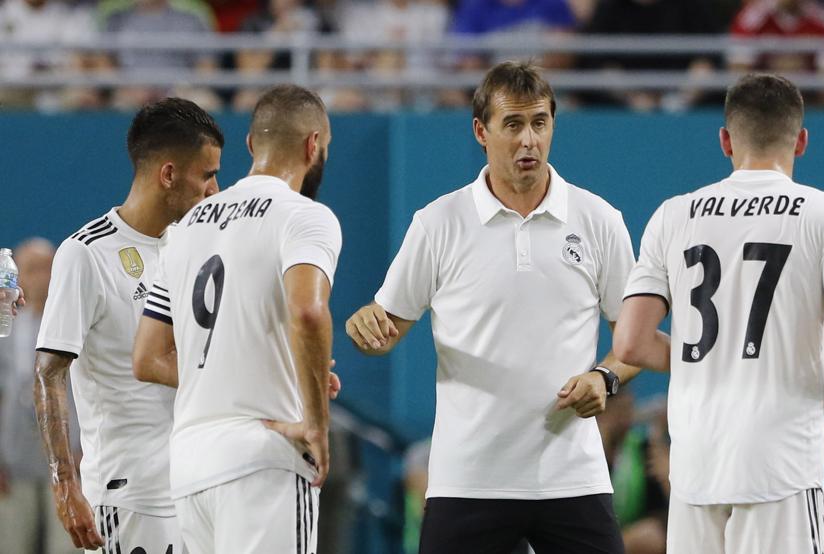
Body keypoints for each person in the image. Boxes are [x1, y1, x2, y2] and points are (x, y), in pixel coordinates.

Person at [346, 60, 643, 554]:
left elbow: (635, 340)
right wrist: (365, 327)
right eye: (513, 124)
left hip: (572, 477)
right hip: (468, 480)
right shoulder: (437, 223)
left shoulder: (599, 220)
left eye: (539, 123)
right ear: (481, 132)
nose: (529, 140)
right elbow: (384, 332)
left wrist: (604, 378)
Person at [613, 73, 824, 554]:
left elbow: (630, 343)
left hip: (695, 467)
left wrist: (710, 358)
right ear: (801, 141)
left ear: (725, 141)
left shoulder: (674, 214)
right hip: (779, 465)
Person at [132, 84, 342, 553]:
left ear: (250, 145)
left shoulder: (184, 229)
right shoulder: (305, 216)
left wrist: (276, 369)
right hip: (264, 460)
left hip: (191, 467)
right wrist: (315, 422)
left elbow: (147, 357)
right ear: (313, 145)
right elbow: (308, 311)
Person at [33, 97, 223, 552]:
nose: (215, 190)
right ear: (169, 174)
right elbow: (49, 371)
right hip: (129, 496)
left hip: (198, 488)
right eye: (207, 175)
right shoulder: (86, 254)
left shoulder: (194, 247)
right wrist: (64, 483)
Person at [0, 238, 79, 554]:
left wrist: (85, 448)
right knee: (13, 543)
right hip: (15, 459)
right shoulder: (5, 330)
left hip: (68, 457)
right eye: (33, 269)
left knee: (65, 545)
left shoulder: (75, 323)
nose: (42, 277)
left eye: (48, 268)